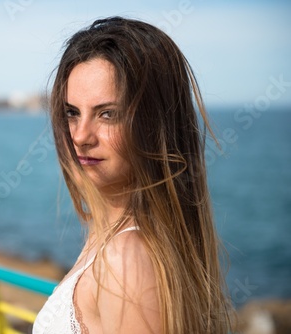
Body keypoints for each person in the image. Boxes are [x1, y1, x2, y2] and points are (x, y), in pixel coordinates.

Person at [33, 17, 233, 333]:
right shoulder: (108, 235)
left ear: (155, 125)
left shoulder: (125, 259)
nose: (81, 136)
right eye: (73, 113)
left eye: (108, 114)